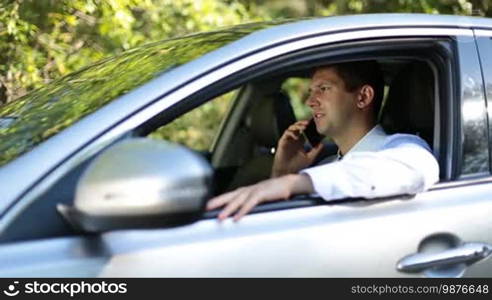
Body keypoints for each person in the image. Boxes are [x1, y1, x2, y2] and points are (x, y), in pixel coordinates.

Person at [206, 60, 439, 221]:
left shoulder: (401, 148)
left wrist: (292, 183)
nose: (311, 101)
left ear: (363, 97)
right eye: (311, 91)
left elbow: (419, 167)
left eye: (324, 88)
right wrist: (282, 173)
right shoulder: (325, 164)